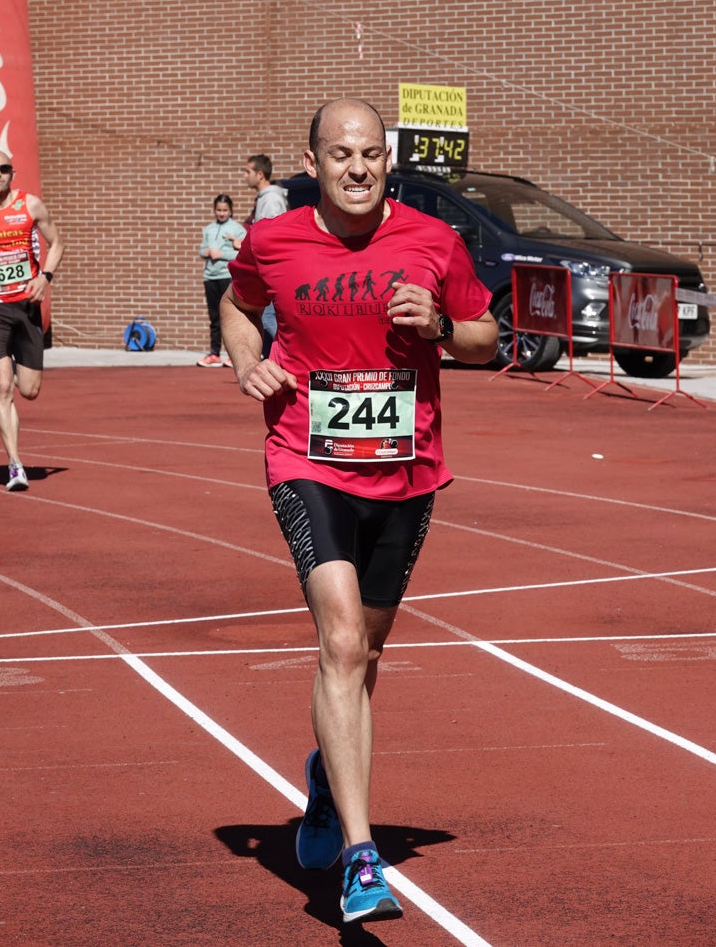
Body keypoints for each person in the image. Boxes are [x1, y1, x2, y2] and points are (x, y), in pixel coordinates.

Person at [220, 99, 498, 924]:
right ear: (313, 162)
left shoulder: (431, 239)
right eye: (340, 154)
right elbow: (238, 306)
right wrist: (247, 364)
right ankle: (362, 856)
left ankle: (324, 779)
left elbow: (486, 335)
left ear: (386, 160)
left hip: (406, 470)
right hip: (305, 455)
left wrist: (444, 326)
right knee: (339, 638)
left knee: (366, 652)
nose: (357, 168)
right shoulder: (271, 241)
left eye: (371, 154)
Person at [0, 150, 64, 490]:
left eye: (2, 169)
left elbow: (57, 242)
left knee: (29, 390)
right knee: (3, 385)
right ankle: (15, 466)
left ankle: (20, 362)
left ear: (12, 173)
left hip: (27, 306)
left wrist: (45, 277)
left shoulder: (30, 205)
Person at [242, 154, 289, 356]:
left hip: (273, 270)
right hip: (265, 270)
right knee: (267, 318)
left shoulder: (271, 200)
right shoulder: (265, 199)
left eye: (247, 172)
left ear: (260, 174)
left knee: (270, 320)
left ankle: (287, 358)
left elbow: (274, 238)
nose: (244, 176)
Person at [196, 193, 246, 367]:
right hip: (210, 276)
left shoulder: (237, 229)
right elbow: (201, 250)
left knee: (230, 317)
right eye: (218, 210)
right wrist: (206, 252)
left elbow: (243, 253)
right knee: (214, 316)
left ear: (231, 211)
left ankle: (233, 356)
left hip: (227, 276)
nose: (221, 213)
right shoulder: (208, 228)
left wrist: (222, 254)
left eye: (225, 210)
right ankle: (214, 353)